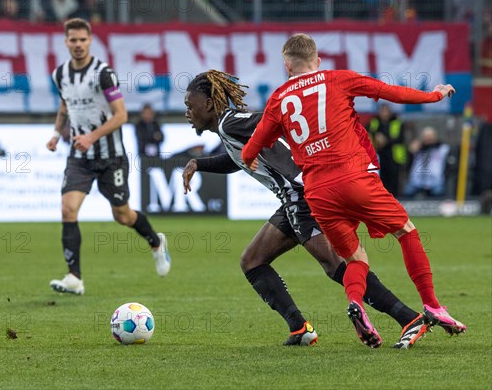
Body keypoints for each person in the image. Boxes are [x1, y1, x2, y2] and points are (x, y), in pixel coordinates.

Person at [241, 34, 466, 347]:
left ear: (287, 66)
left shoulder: (279, 99)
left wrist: (249, 159)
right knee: (406, 231)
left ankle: (358, 305)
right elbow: (390, 92)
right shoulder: (338, 79)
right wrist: (434, 96)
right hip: (354, 178)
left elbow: (253, 146)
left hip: (318, 194)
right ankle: (432, 305)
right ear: (317, 61)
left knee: (355, 258)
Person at [182, 70, 430, 349]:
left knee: (335, 264)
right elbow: (238, 158)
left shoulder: (232, 124)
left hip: (300, 196)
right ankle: (299, 327)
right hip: (292, 199)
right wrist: (199, 164)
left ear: (209, 105)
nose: (188, 113)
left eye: (191, 106)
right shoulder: (230, 130)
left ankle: (408, 318)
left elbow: (270, 125)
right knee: (252, 260)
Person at [46, 18, 171, 295]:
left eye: (82, 40)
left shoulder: (103, 74)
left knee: (123, 215)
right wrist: (56, 133)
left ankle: (155, 242)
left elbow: (121, 115)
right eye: (73, 40)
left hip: (110, 157)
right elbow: (65, 105)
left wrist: (91, 136)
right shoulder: (60, 75)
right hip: (78, 157)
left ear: (90, 41)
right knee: (68, 209)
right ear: (66, 42)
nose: (78, 45)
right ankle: (74, 277)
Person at [368, 103, 407, 197]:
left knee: (394, 179)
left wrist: (386, 140)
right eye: (383, 111)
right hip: (378, 155)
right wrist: (375, 136)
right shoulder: (374, 122)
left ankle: (396, 199)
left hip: (394, 156)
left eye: (387, 111)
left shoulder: (397, 122)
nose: (385, 113)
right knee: (380, 179)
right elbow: (367, 133)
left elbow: (400, 138)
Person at [402, 126, 451, 198]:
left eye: (430, 136)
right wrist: (410, 152)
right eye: (426, 136)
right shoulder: (417, 148)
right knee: (407, 192)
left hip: (435, 182)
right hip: (416, 182)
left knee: (438, 192)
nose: (428, 138)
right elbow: (405, 163)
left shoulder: (442, 148)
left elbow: (449, 163)